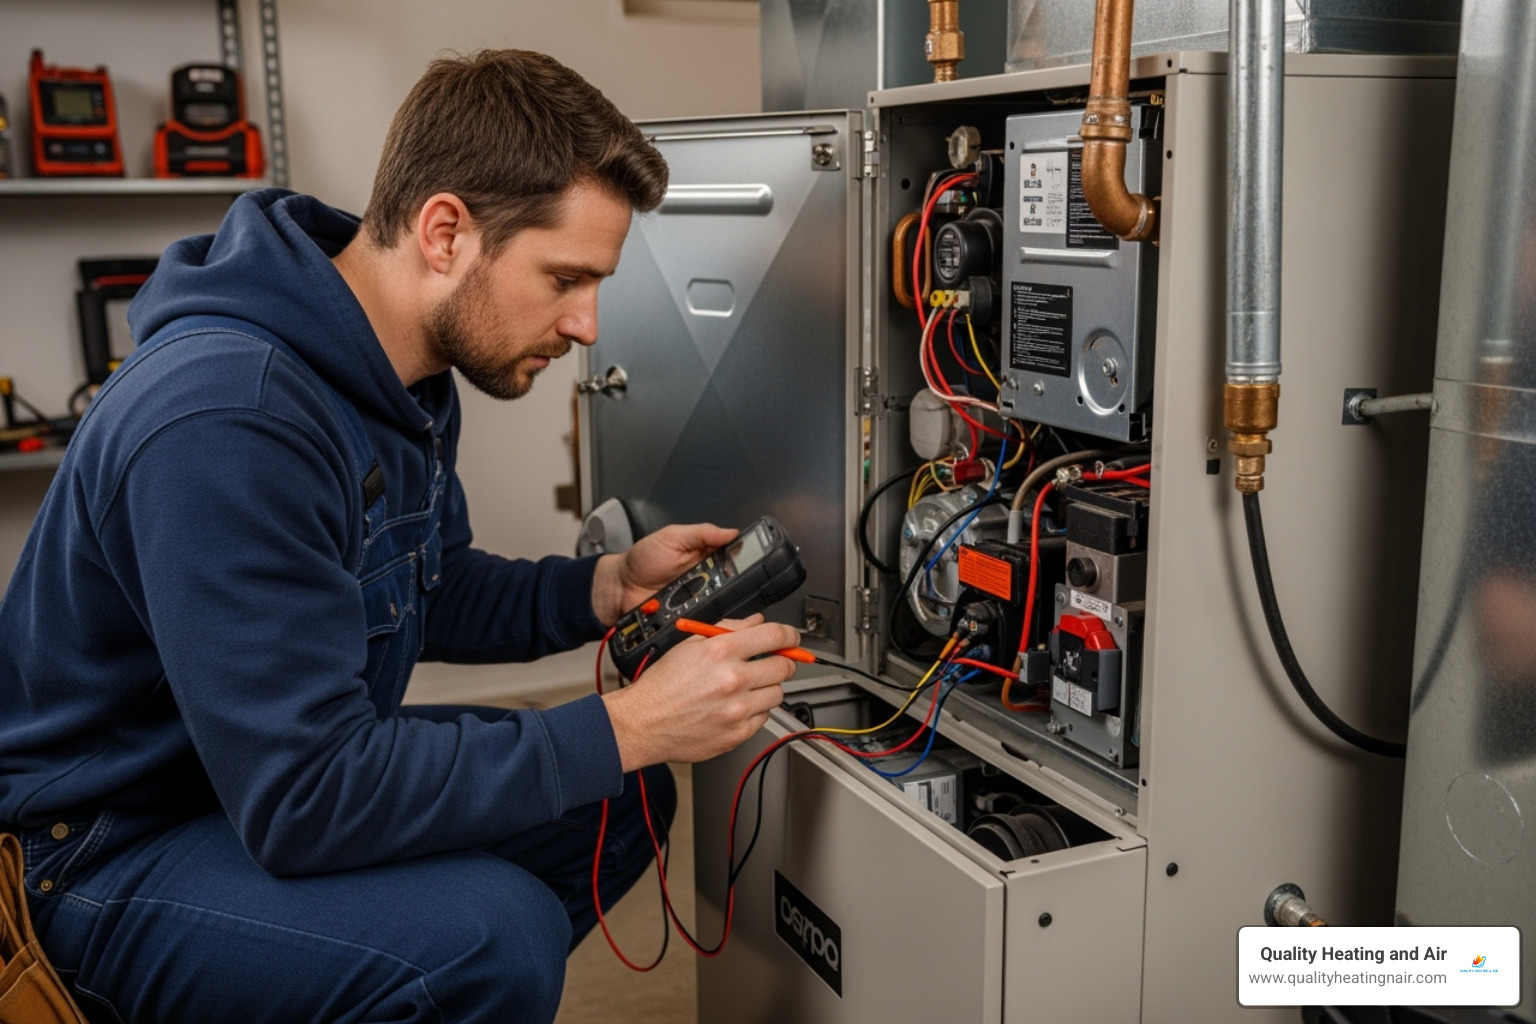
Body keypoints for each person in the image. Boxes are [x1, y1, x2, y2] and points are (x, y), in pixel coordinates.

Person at [0, 50, 799, 1023]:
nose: (588, 324)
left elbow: (430, 582)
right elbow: (306, 795)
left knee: (615, 807)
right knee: (486, 937)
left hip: (241, 780)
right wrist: (630, 725)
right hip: (102, 846)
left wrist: (604, 587)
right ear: (446, 232)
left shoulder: (400, 376)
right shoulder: (226, 418)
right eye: (564, 278)